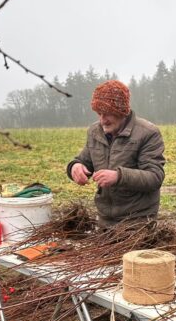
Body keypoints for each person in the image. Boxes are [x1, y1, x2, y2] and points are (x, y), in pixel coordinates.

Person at [67, 80, 165, 227]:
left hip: (138, 222)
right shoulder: (95, 132)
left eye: (107, 114)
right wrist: (75, 167)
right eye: (99, 113)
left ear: (122, 112)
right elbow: (83, 160)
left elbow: (155, 177)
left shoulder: (148, 133)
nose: (102, 120)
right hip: (105, 220)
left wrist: (119, 176)